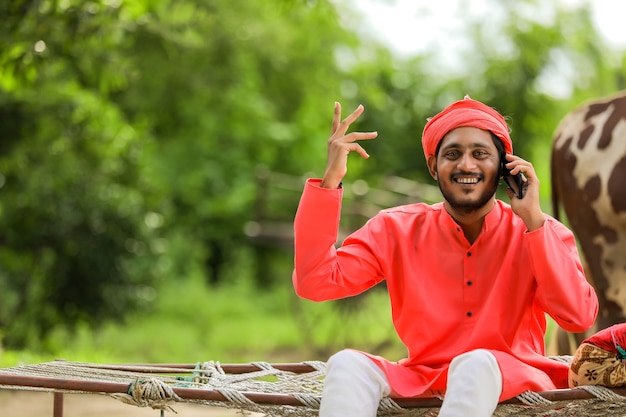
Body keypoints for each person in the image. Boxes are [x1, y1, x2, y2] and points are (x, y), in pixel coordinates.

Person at [291, 96, 599, 417]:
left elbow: (578, 317)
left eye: (480, 154)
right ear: (433, 166)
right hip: (424, 377)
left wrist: (533, 222)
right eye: (453, 154)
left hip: (512, 378)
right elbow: (315, 282)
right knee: (346, 363)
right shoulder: (395, 228)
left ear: (505, 166)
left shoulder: (540, 230)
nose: (466, 164)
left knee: (477, 362)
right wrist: (330, 181)